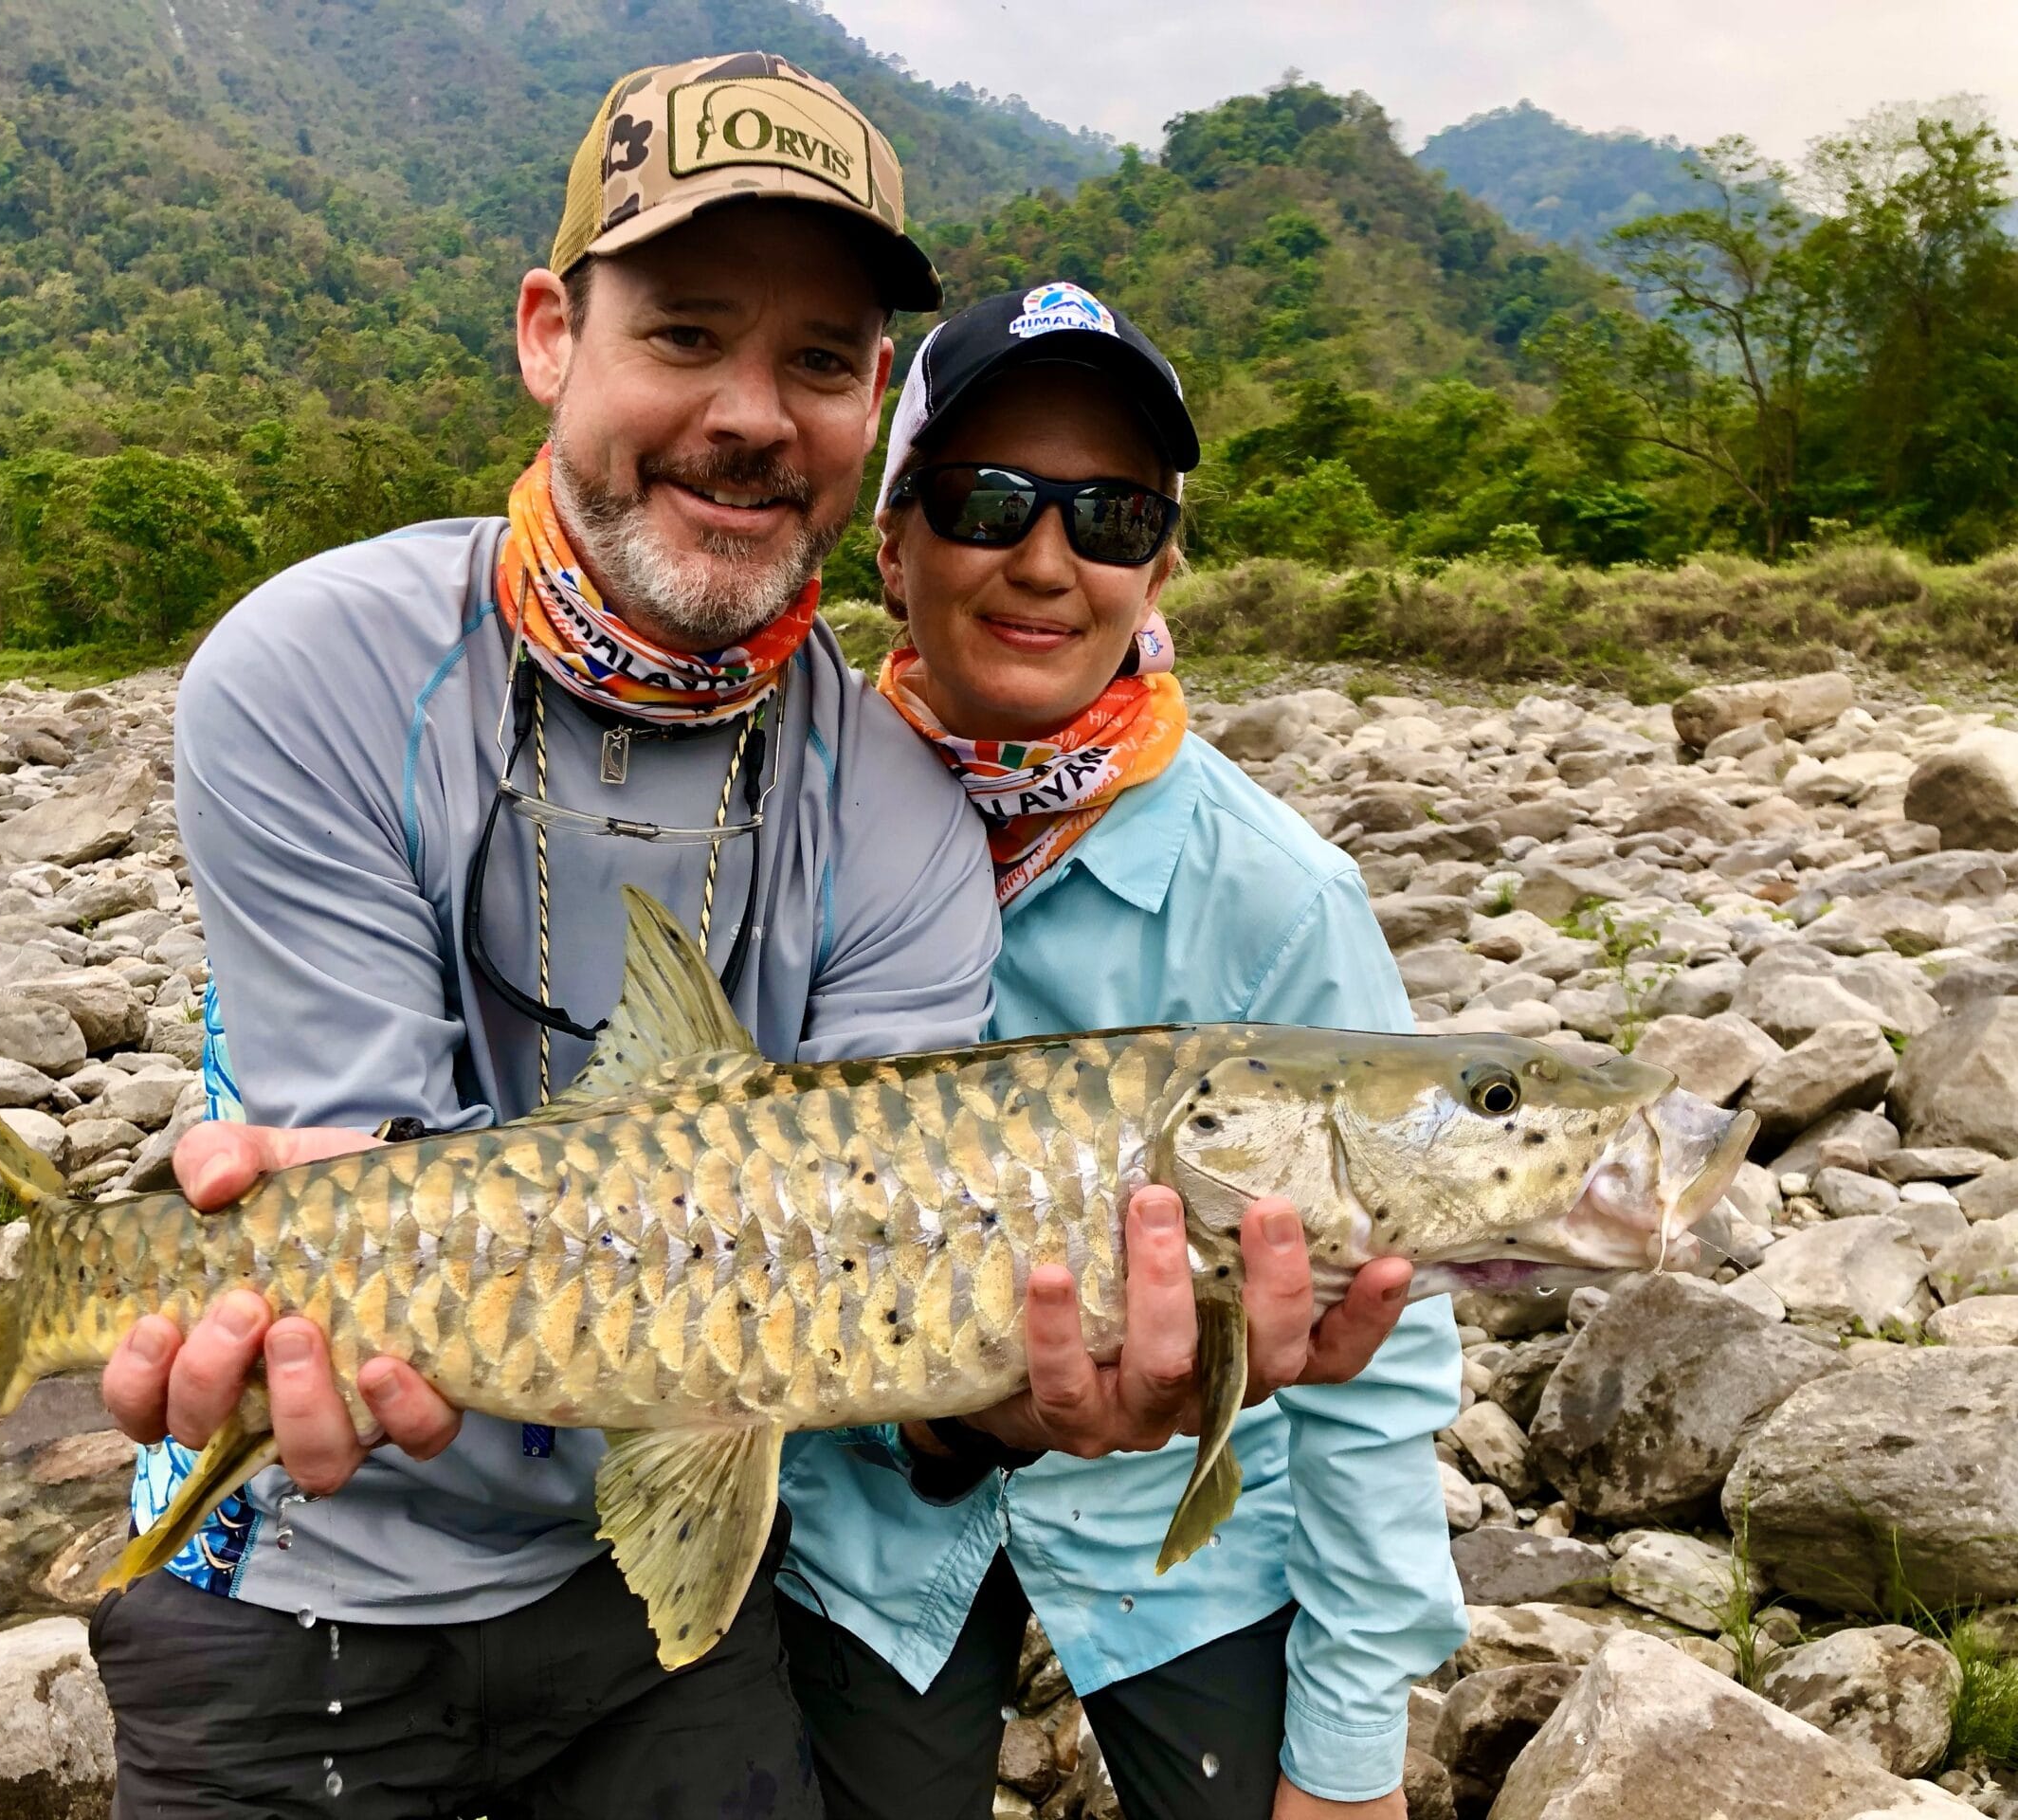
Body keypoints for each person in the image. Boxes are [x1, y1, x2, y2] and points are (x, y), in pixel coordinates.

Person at [82, 58, 1416, 1820]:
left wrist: (1029, 1395)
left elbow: (845, 1298)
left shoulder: (900, 817)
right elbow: (361, 1166)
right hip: (287, 1565)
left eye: (812, 362)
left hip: (652, 1620)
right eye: (687, 333)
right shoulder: (311, 666)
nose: (747, 414)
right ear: (554, 333)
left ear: (868, 402)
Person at [775, 285, 1468, 1820]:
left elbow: (1381, 1341)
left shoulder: (1278, 894)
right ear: (891, 543)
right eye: (987, 500)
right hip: (867, 1510)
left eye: (1107, 514)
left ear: (1160, 564)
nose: (1044, 558)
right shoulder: (778, 824)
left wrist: (1348, 1754)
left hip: (1190, 1529)